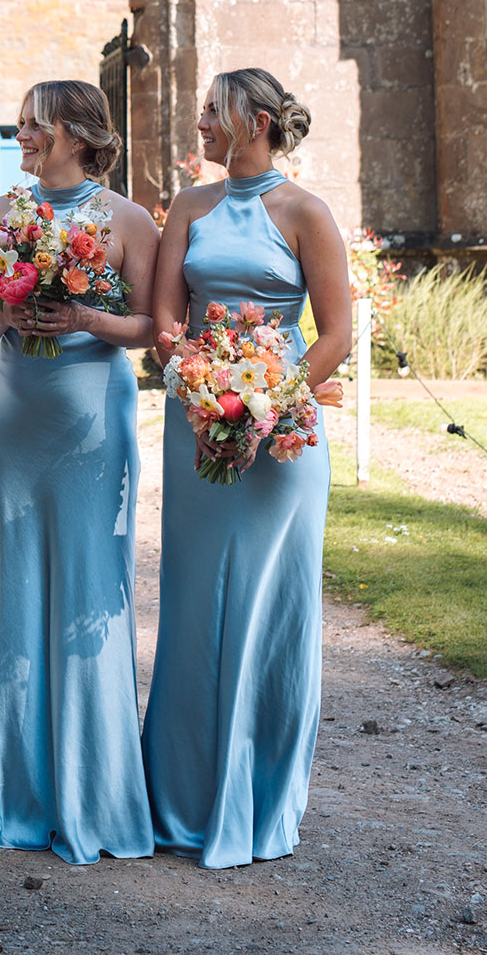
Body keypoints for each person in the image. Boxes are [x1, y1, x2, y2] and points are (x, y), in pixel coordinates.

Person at [141, 68, 351, 869]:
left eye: (212, 111)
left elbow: (335, 332)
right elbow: (166, 315)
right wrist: (196, 376)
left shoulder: (306, 213)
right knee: (196, 599)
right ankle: (184, 799)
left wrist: (267, 399)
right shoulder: (190, 207)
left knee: (273, 601)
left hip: (281, 425)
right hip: (195, 413)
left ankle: (260, 801)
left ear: (254, 121)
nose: (199, 123)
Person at [0, 80, 158, 864]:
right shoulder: (2, 214)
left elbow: (149, 325)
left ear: (78, 132)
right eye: (19, 127)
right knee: (15, 587)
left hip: (90, 414)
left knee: (88, 583)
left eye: (34, 125)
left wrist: (80, 317)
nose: (24, 137)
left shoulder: (128, 219)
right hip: (15, 409)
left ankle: (96, 793)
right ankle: (16, 791)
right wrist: (7, 305)